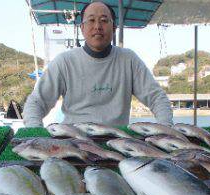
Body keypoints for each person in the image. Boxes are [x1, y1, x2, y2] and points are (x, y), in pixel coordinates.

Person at [23, 1, 173, 127]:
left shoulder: (129, 59)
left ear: (114, 28)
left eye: (104, 20)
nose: (97, 26)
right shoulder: (64, 62)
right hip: (73, 141)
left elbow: (157, 98)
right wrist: (36, 134)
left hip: (117, 143)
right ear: (82, 28)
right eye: (91, 20)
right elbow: (36, 103)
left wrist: (166, 130)